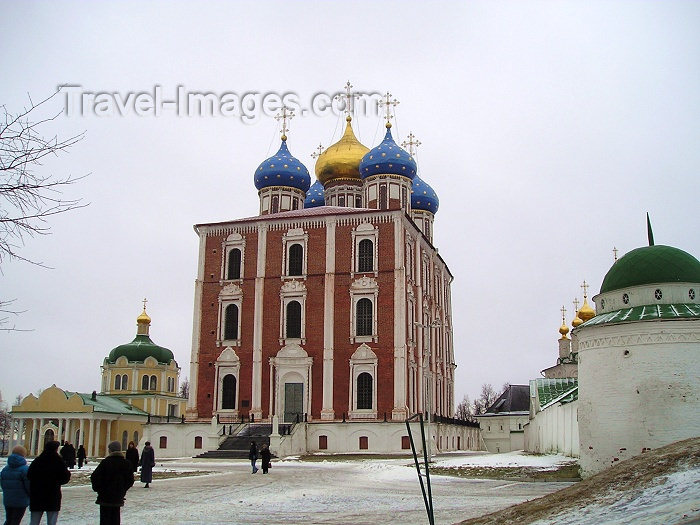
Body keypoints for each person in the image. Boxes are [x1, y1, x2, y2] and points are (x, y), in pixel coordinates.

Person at [27, 440, 71, 525]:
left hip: (37, 495)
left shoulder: (38, 460)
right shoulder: (58, 461)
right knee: (51, 521)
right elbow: (65, 477)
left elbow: (29, 475)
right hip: (52, 495)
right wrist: (57, 482)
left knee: (34, 521)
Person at [91, 441, 135, 525]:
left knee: (105, 519)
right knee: (115, 518)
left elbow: (95, 477)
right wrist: (122, 489)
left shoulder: (105, 463)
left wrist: (99, 490)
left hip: (105, 497)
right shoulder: (126, 463)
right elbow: (130, 480)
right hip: (118, 496)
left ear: (110, 450)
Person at [1, 445, 30, 525]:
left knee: (9, 520)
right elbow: (29, 486)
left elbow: (2, 484)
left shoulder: (5, 469)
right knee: (16, 521)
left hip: (8, 500)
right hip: (21, 501)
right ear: (23, 455)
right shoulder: (25, 469)